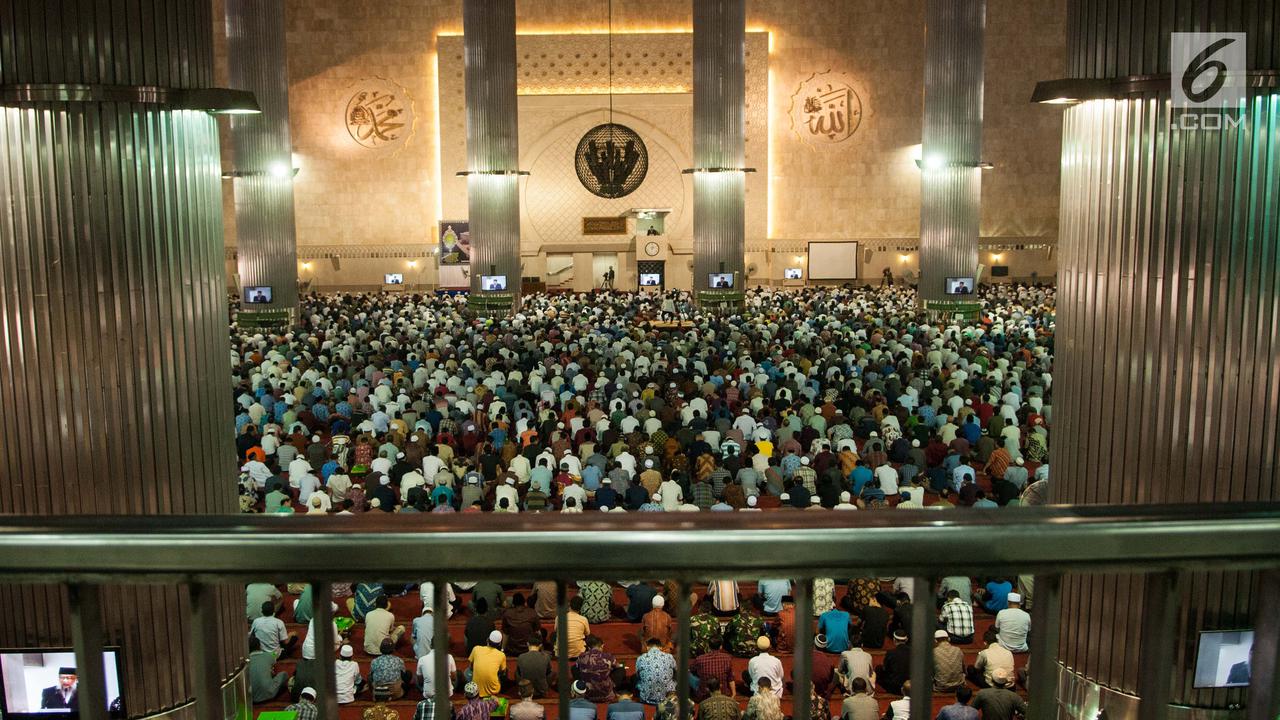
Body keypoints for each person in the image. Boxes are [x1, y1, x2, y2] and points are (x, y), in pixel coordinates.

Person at [576, 634, 618, 703]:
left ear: (589, 648)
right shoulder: (608, 656)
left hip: (588, 693)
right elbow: (617, 666)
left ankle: (580, 688)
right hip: (605, 694)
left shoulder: (582, 656)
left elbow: (577, 666)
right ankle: (614, 689)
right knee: (620, 670)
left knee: (574, 669)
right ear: (602, 646)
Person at [636, 636, 677, 704]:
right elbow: (676, 671)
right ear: (660, 647)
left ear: (647, 647)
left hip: (646, 698)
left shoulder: (640, 658)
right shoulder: (670, 656)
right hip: (668, 697)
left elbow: (638, 676)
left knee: (634, 679)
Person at [469, 630, 508, 698]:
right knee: (505, 670)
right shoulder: (501, 655)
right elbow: (502, 672)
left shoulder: (476, 649)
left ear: (487, 640)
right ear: (499, 644)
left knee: (467, 671)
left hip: (476, 689)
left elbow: (470, 667)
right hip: (493, 690)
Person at [248, 637, 288, 702]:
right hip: (268, 693)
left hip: (250, 696)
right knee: (284, 674)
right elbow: (276, 653)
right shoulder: (268, 655)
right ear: (260, 646)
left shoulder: (245, 661)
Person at [876, 629, 911, 695]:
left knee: (878, 669)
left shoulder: (891, 653)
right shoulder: (914, 652)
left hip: (895, 688)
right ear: (906, 640)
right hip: (911, 686)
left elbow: (886, 669)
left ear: (894, 640)